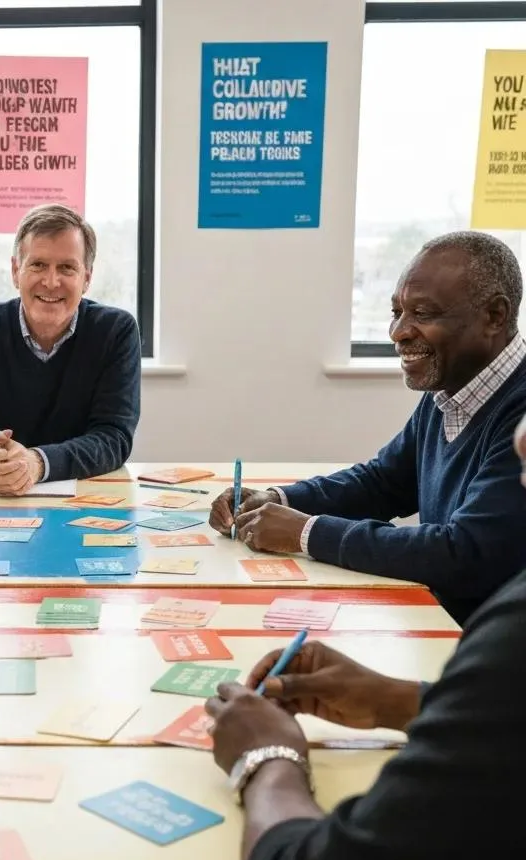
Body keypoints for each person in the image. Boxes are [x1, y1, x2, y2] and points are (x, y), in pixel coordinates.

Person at [203, 409, 526, 860]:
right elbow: (381, 478)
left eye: (424, 309)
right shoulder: (444, 400)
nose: (523, 439)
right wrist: (409, 702)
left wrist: (267, 759)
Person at [209, 231, 526, 625]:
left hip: (493, 656)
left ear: (494, 316)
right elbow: (384, 482)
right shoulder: (453, 385)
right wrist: (280, 499)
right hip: (444, 625)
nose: (399, 332)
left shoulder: (519, 414)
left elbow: (466, 552)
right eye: (397, 312)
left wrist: (307, 532)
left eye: (424, 314)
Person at [0, 204, 141, 494]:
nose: (51, 282)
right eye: (38, 265)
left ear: (86, 278)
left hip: (83, 502)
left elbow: (113, 437)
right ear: (16, 271)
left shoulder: (116, 331)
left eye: (67, 267)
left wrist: (37, 462)